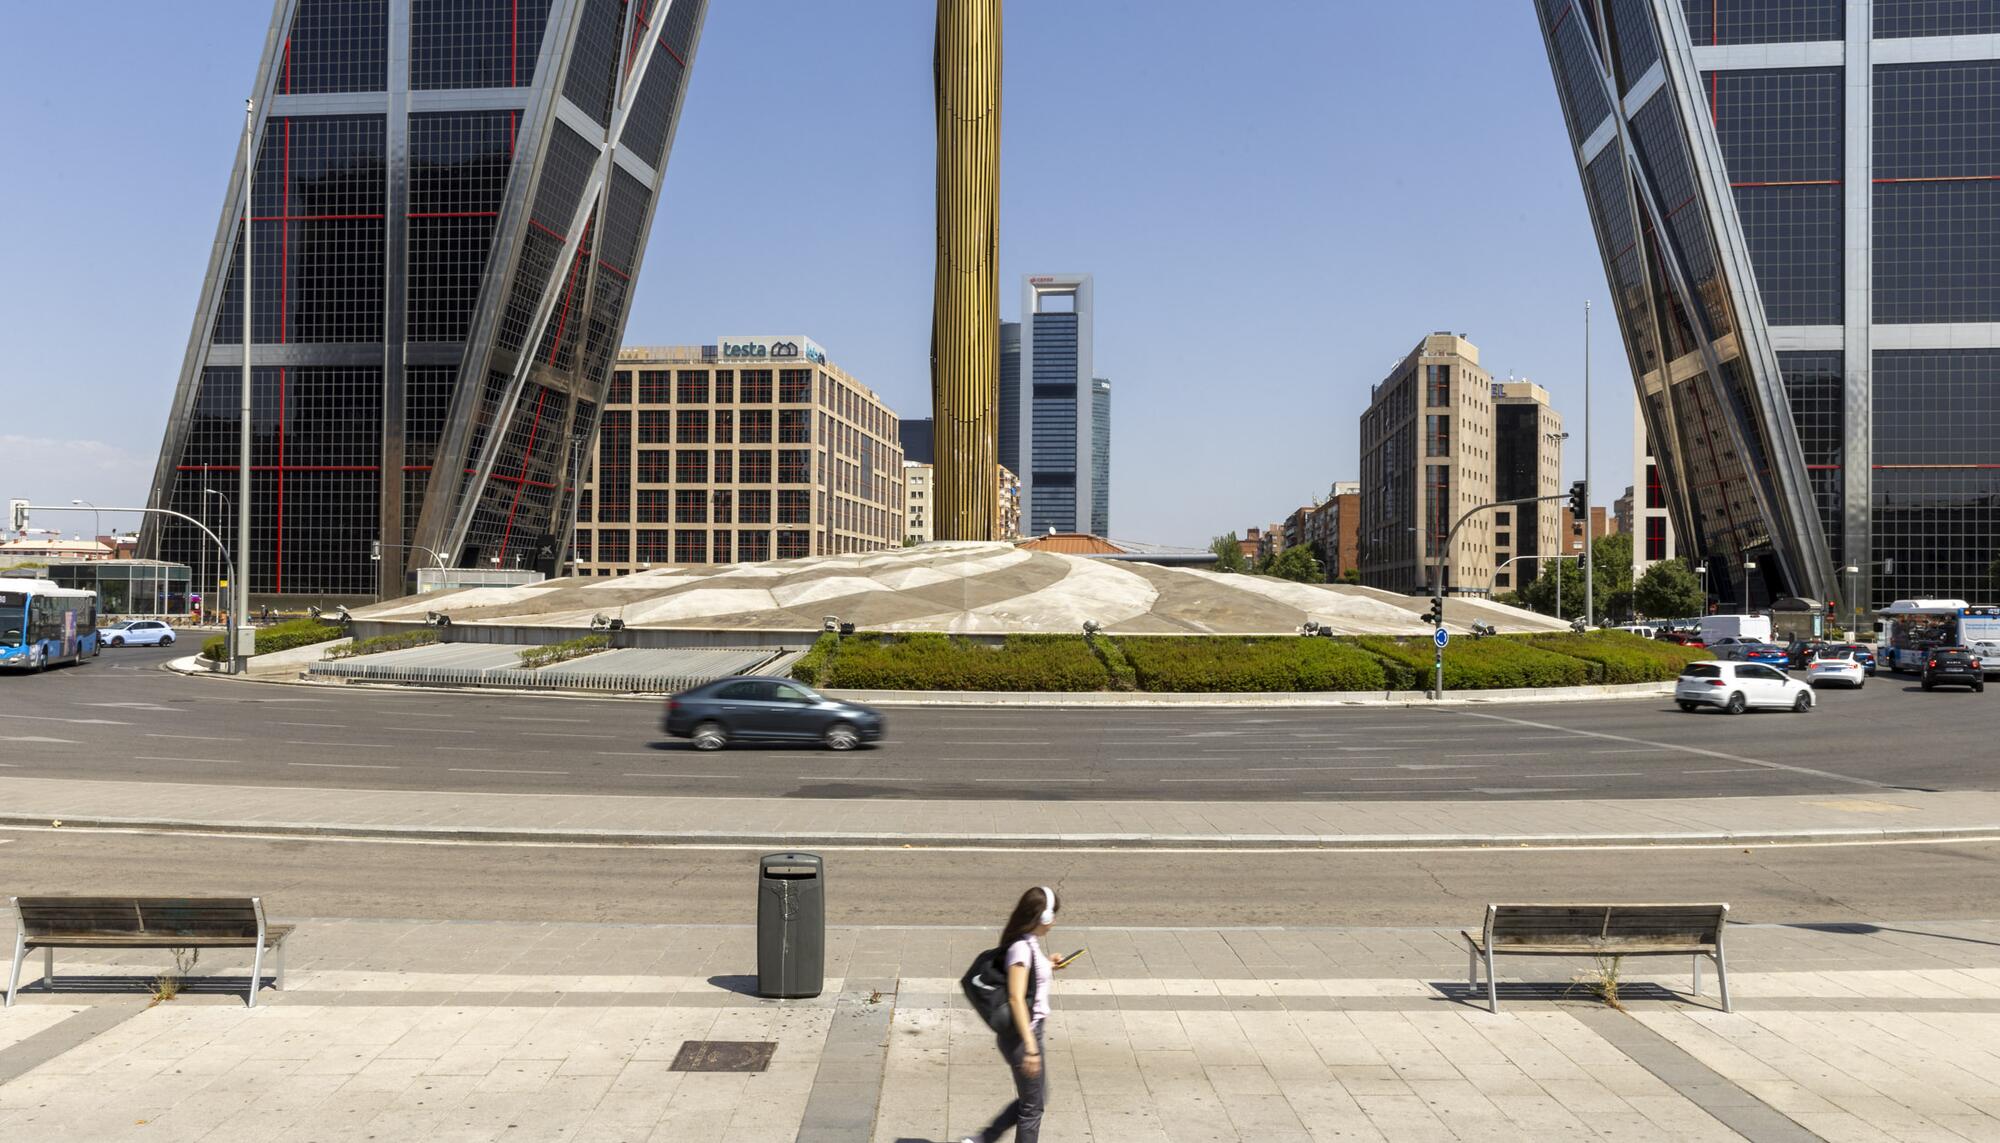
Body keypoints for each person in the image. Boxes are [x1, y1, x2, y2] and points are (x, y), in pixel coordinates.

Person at [964, 886, 1064, 1143]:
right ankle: (984, 1138)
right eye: (1053, 915)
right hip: (1023, 1035)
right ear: (1042, 917)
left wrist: (1049, 964)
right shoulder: (1021, 949)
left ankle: (983, 1139)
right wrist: (1030, 1047)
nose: (1054, 922)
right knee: (1032, 1108)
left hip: (1027, 1033)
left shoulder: (1029, 943)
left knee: (1035, 1099)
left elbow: (1028, 977)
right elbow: (1016, 998)